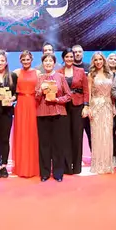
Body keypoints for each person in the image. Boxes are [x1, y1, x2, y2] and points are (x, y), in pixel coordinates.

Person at [36, 53, 72, 182]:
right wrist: (41, 90)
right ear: (43, 63)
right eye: (45, 61)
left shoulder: (60, 77)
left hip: (58, 114)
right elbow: (36, 97)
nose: (48, 63)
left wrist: (57, 100)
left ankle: (58, 172)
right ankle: (45, 173)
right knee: (44, 144)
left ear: (54, 63)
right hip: (42, 114)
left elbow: (68, 96)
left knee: (58, 144)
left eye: (50, 61)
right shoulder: (40, 78)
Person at [58, 48, 89, 175]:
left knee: (77, 136)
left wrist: (86, 106)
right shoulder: (59, 72)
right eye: (67, 57)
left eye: (71, 56)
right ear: (63, 58)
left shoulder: (80, 71)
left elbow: (86, 90)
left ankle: (76, 166)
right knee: (65, 136)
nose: (69, 59)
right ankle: (66, 166)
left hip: (78, 106)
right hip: (64, 106)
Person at [12, 51, 41, 178]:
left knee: (33, 133)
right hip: (21, 105)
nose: (26, 61)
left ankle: (33, 166)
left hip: (34, 104)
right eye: (23, 59)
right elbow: (7, 84)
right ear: (20, 61)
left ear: (31, 59)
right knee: (22, 134)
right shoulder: (16, 73)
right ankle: (21, 166)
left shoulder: (38, 73)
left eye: (28, 59)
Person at [87, 52, 115, 174]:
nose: (98, 62)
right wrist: (88, 108)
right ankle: (98, 163)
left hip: (108, 106)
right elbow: (89, 93)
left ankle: (107, 164)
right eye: (96, 60)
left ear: (104, 60)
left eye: (100, 59)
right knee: (97, 135)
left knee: (107, 134)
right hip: (96, 107)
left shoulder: (110, 74)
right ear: (93, 62)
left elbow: (112, 92)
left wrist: (113, 106)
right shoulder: (91, 75)